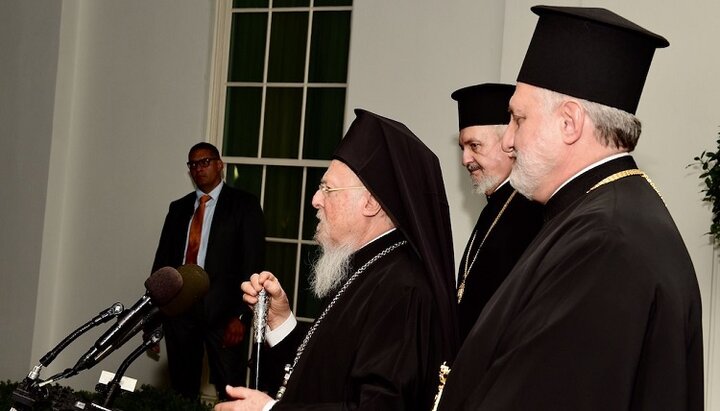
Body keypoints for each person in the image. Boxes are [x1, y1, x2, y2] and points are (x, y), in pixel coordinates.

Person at [436, 6, 703, 410]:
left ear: (569, 123)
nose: (509, 141)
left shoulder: (605, 243)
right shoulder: (602, 214)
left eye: (518, 119)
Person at [214, 109, 459, 411]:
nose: (316, 200)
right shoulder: (361, 267)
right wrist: (280, 321)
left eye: (327, 188)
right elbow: (326, 372)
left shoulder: (402, 289)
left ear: (370, 202)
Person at [152, 142, 266, 400]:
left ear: (219, 165)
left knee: (230, 389)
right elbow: (162, 263)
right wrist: (155, 314)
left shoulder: (243, 205)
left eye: (205, 162)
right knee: (181, 390)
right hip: (179, 312)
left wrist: (242, 317)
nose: (199, 168)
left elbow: (253, 263)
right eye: (193, 164)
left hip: (224, 315)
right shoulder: (178, 208)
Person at [450, 83, 543, 341]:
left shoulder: (531, 212)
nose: (465, 160)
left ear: (510, 144)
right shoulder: (493, 206)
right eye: (463, 148)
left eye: (475, 146)